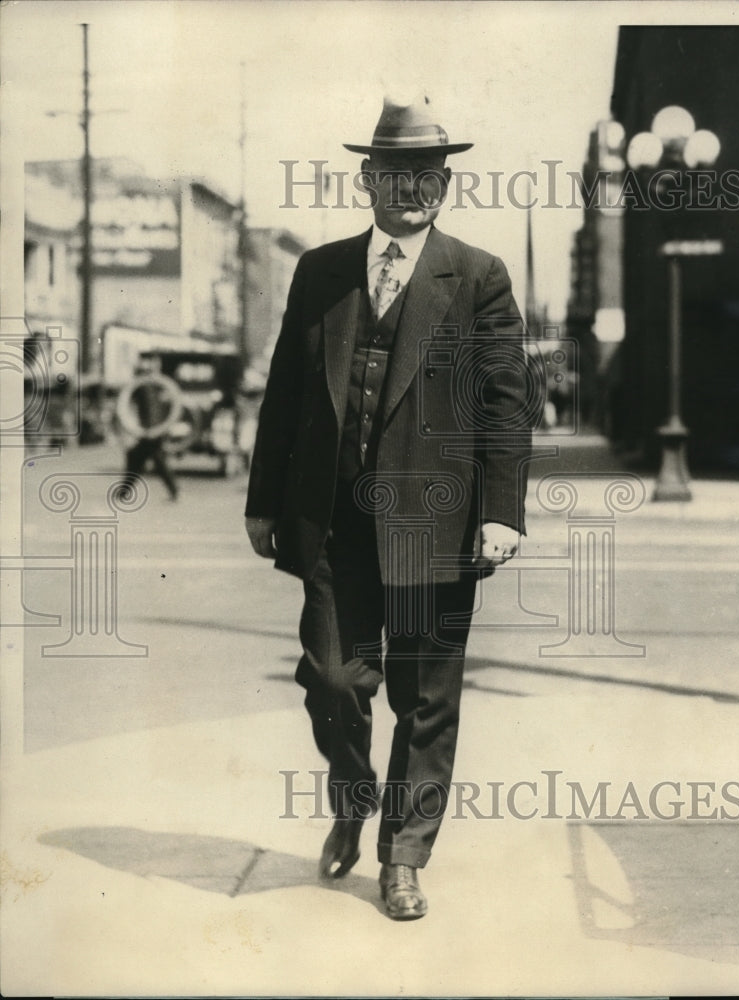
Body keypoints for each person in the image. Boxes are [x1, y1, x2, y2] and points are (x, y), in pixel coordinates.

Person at [245, 95, 537, 920]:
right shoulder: (322, 271)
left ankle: (402, 858)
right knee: (335, 678)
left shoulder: (477, 275)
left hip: (437, 523)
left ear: (442, 186)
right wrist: (263, 501)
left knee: (425, 698)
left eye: (429, 175)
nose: (412, 187)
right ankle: (351, 793)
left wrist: (502, 512)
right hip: (333, 519)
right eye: (396, 172)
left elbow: (505, 405)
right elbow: (285, 395)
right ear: (368, 177)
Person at [118, 355, 179, 501]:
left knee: (141, 459)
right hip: (150, 429)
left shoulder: (154, 386)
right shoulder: (149, 385)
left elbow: (160, 408)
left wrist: (152, 429)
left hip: (153, 430)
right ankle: (173, 491)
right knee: (147, 459)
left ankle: (124, 491)